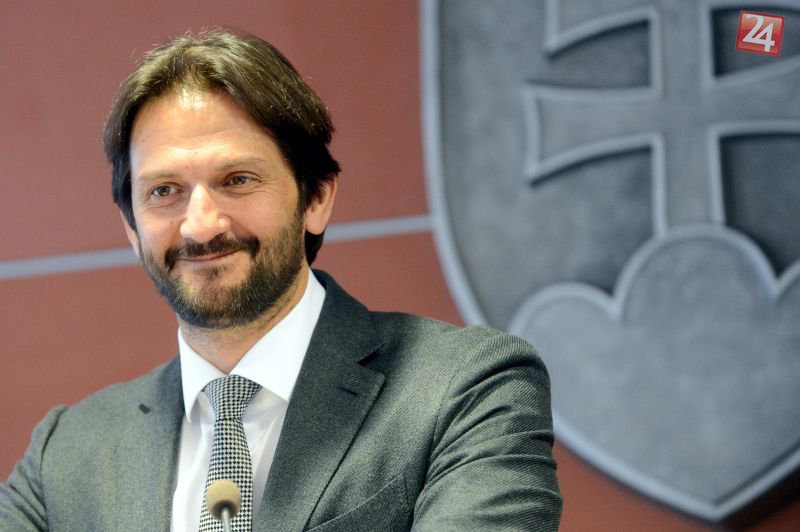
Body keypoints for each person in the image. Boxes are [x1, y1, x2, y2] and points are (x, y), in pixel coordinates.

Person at [0, 29, 562, 531]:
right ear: (131, 227)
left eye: (237, 180)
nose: (200, 225)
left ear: (315, 199)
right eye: (164, 192)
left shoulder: (467, 390)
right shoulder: (64, 457)